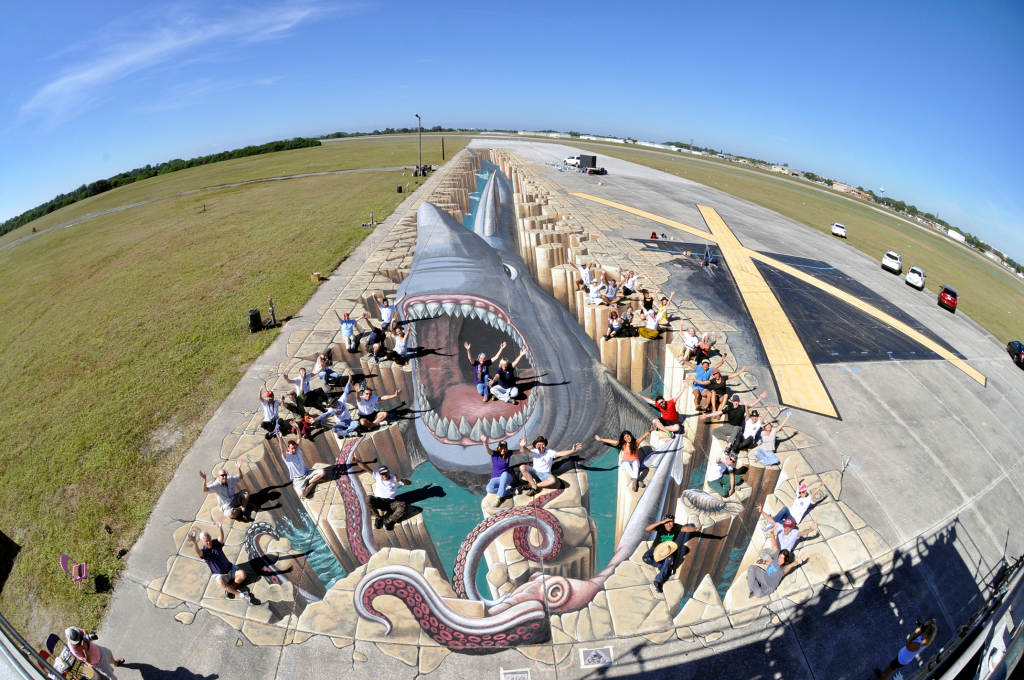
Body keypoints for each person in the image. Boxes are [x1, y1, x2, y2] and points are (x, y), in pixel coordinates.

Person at [188, 519, 257, 603]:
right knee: (222, 583)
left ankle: (230, 588)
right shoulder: (204, 552)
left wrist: (220, 528)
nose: (209, 542)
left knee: (243, 575)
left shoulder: (215, 543)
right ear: (203, 542)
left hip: (230, 568)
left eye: (209, 540)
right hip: (220, 574)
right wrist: (194, 542)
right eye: (206, 541)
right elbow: (198, 551)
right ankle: (242, 595)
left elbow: (221, 538)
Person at [641, 514, 699, 593]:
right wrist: (661, 522)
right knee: (646, 558)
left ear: (674, 521)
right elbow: (648, 529)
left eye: (671, 522)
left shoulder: (676, 527)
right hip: (656, 548)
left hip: (669, 549)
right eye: (666, 522)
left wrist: (695, 529)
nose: (669, 524)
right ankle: (662, 567)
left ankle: (658, 581)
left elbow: (686, 528)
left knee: (669, 560)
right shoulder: (660, 527)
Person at [746, 528, 806, 599]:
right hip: (763, 576)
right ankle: (751, 588)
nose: (780, 559)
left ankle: (752, 581)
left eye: (783, 558)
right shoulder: (777, 556)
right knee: (751, 568)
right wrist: (772, 533)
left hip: (769, 586)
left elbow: (789, 566)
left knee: (758, 594)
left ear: (786, 559)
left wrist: (797, 561)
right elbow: (774, 545)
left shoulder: (784, 568)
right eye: (780, 557)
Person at [355, 459, 410, 530]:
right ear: (380, 474)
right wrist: (356, 460)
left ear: (388, 471)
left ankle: (390, 520)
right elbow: (366, 468)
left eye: (385, 473)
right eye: (382, 474)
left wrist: (400, 480)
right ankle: (378, 518)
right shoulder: (377, 476)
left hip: (391, 503)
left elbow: (409, 483)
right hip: (379, 501)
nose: (384, 475)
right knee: (368, 498)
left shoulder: (395, 479)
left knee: (403, 505)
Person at [701, 391, 769, 448]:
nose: (735, 403)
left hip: (738, 428)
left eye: (737, 401)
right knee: (714, 431)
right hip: (730, 427)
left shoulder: (742, 408)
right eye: (734, 401)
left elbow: (752, 404)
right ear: (732, 402)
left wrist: (760, 398)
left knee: (736, 428)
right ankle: (727, 439)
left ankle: (729, 445)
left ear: (738, 402)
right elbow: (718, 412)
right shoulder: (729, 408)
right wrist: (706, 415)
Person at [518, 436, 582, 495]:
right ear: (536, 446)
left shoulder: (549, 452)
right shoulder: (534, 451)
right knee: (522, 467)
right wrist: (522, 446)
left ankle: (534, 486)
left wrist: (572, 450)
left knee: (553, 480)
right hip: (534, 472)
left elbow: (560, 453)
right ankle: (533, 485)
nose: (541, 446)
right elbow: (526, 451)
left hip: (545, 474)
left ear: (545, 445)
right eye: (539, 445)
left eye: (542, 444)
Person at [595, 428, 653, 492]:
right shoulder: (624, 444)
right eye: (625, 438)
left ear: (630, 435)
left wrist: (650, 430)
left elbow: (643, 436)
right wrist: (600, 439)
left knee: (636, 463)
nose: (627, 438)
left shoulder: (636, 442)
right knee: (626, 464)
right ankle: (637, 481)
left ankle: (634, 482)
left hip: (634, 461)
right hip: (625, 462)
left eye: (628, 436)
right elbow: (611, 441)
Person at [760, 477, 826, 530]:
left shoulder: (808, 499)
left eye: (803, 492)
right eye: (800, 492)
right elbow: (796, 482)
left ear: (806, 491)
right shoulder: (798, 495)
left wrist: (821, 484)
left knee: (784, 524)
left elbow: (814, 492)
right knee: (785, 508)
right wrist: (794, 470)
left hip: (794, 519)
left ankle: (771, 522)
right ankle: (771, 522)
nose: (801, 493)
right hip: (789, 513)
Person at [482, 435, 516, 506]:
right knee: (489, 489)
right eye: (501, 448)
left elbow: (520, 451)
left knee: (504, 474)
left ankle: (498, 497)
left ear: (506, 449)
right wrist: (485, 442)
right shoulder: (494, 454)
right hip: (496, 478)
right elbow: (488, 450)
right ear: (498, 448)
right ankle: (508, 491)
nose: (503, 450)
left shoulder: (508, 453)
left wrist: (527, 446)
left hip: (507, 477)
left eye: (504, 448)